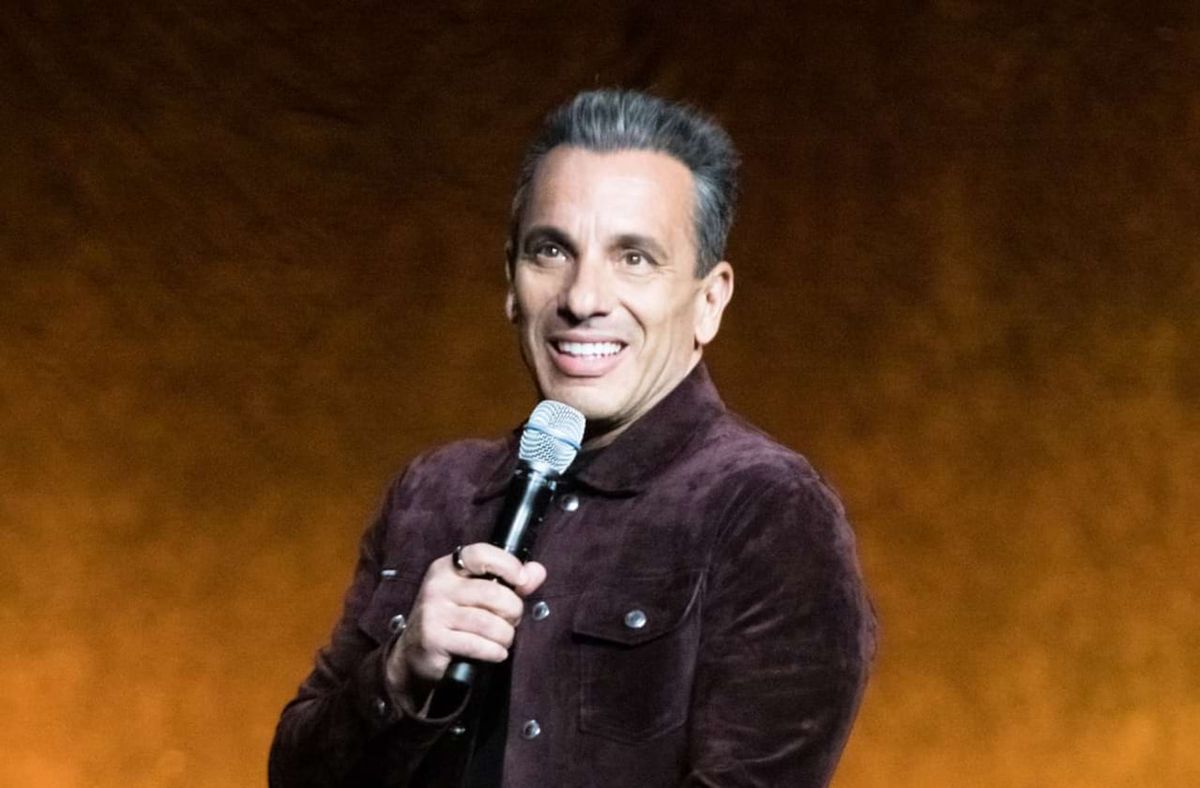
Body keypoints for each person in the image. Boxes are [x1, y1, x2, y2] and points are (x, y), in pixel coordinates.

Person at [269, 89, 876, 787]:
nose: (583, 299)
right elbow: (296, 778)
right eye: (552, 250)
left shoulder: (766, 509)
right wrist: (399, 673)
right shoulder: (432, 492)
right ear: (511, 281)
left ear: (709, 300)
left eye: (634, 258)